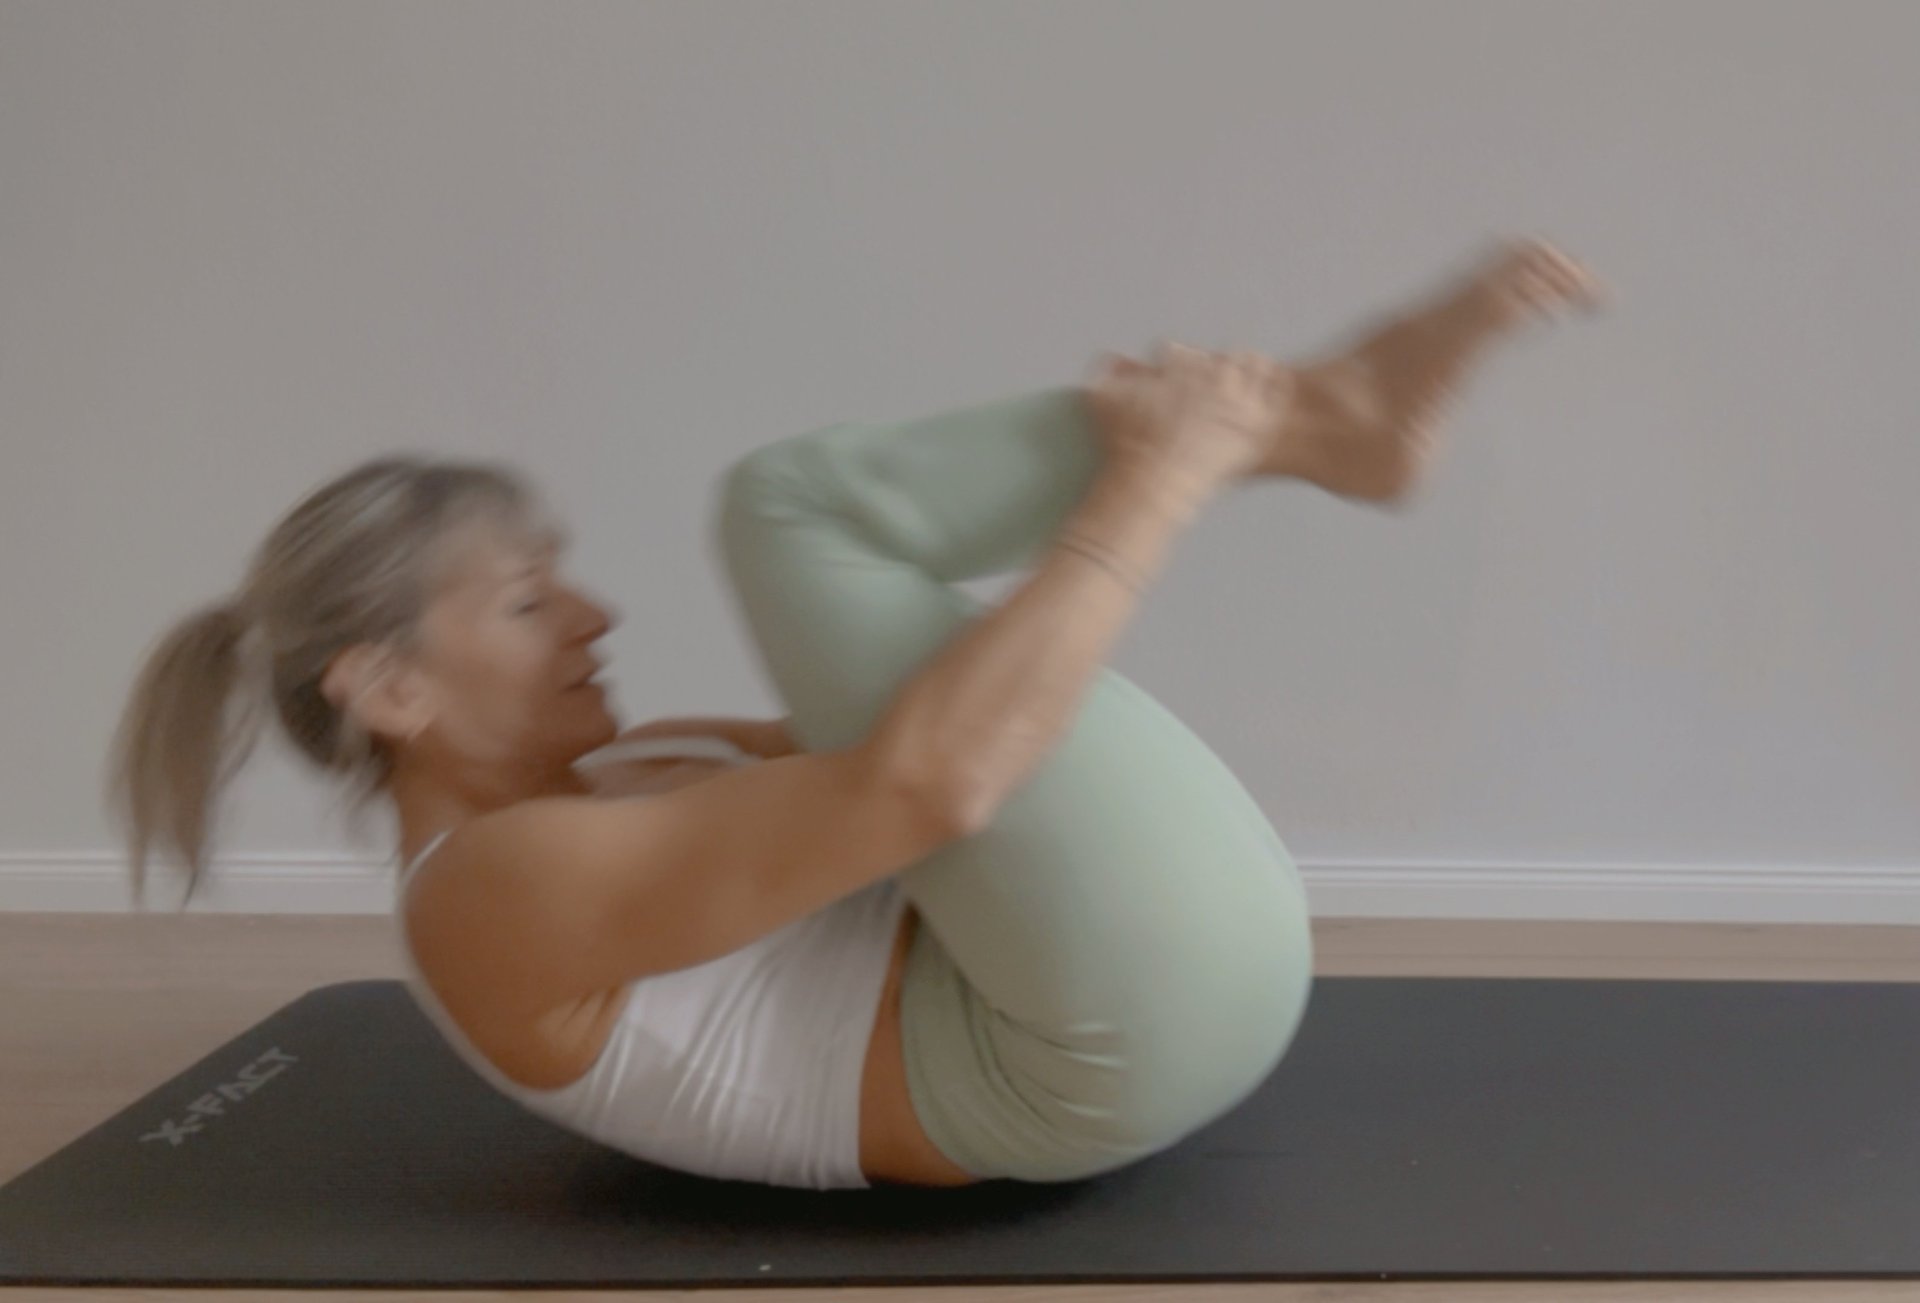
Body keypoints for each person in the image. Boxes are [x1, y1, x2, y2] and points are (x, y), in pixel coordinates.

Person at [106, 236, 1605, 1191]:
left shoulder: (633, 769)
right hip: (1079, 1051)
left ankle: (1322, 424)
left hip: (1123, 997)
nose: (596, 617)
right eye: (523, 601)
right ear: (387, 689)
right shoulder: (488, 896)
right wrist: (1160, 476)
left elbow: (960, 751)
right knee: (786, 512)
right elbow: (936, 791)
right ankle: (1298, 427)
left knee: (820, 543)